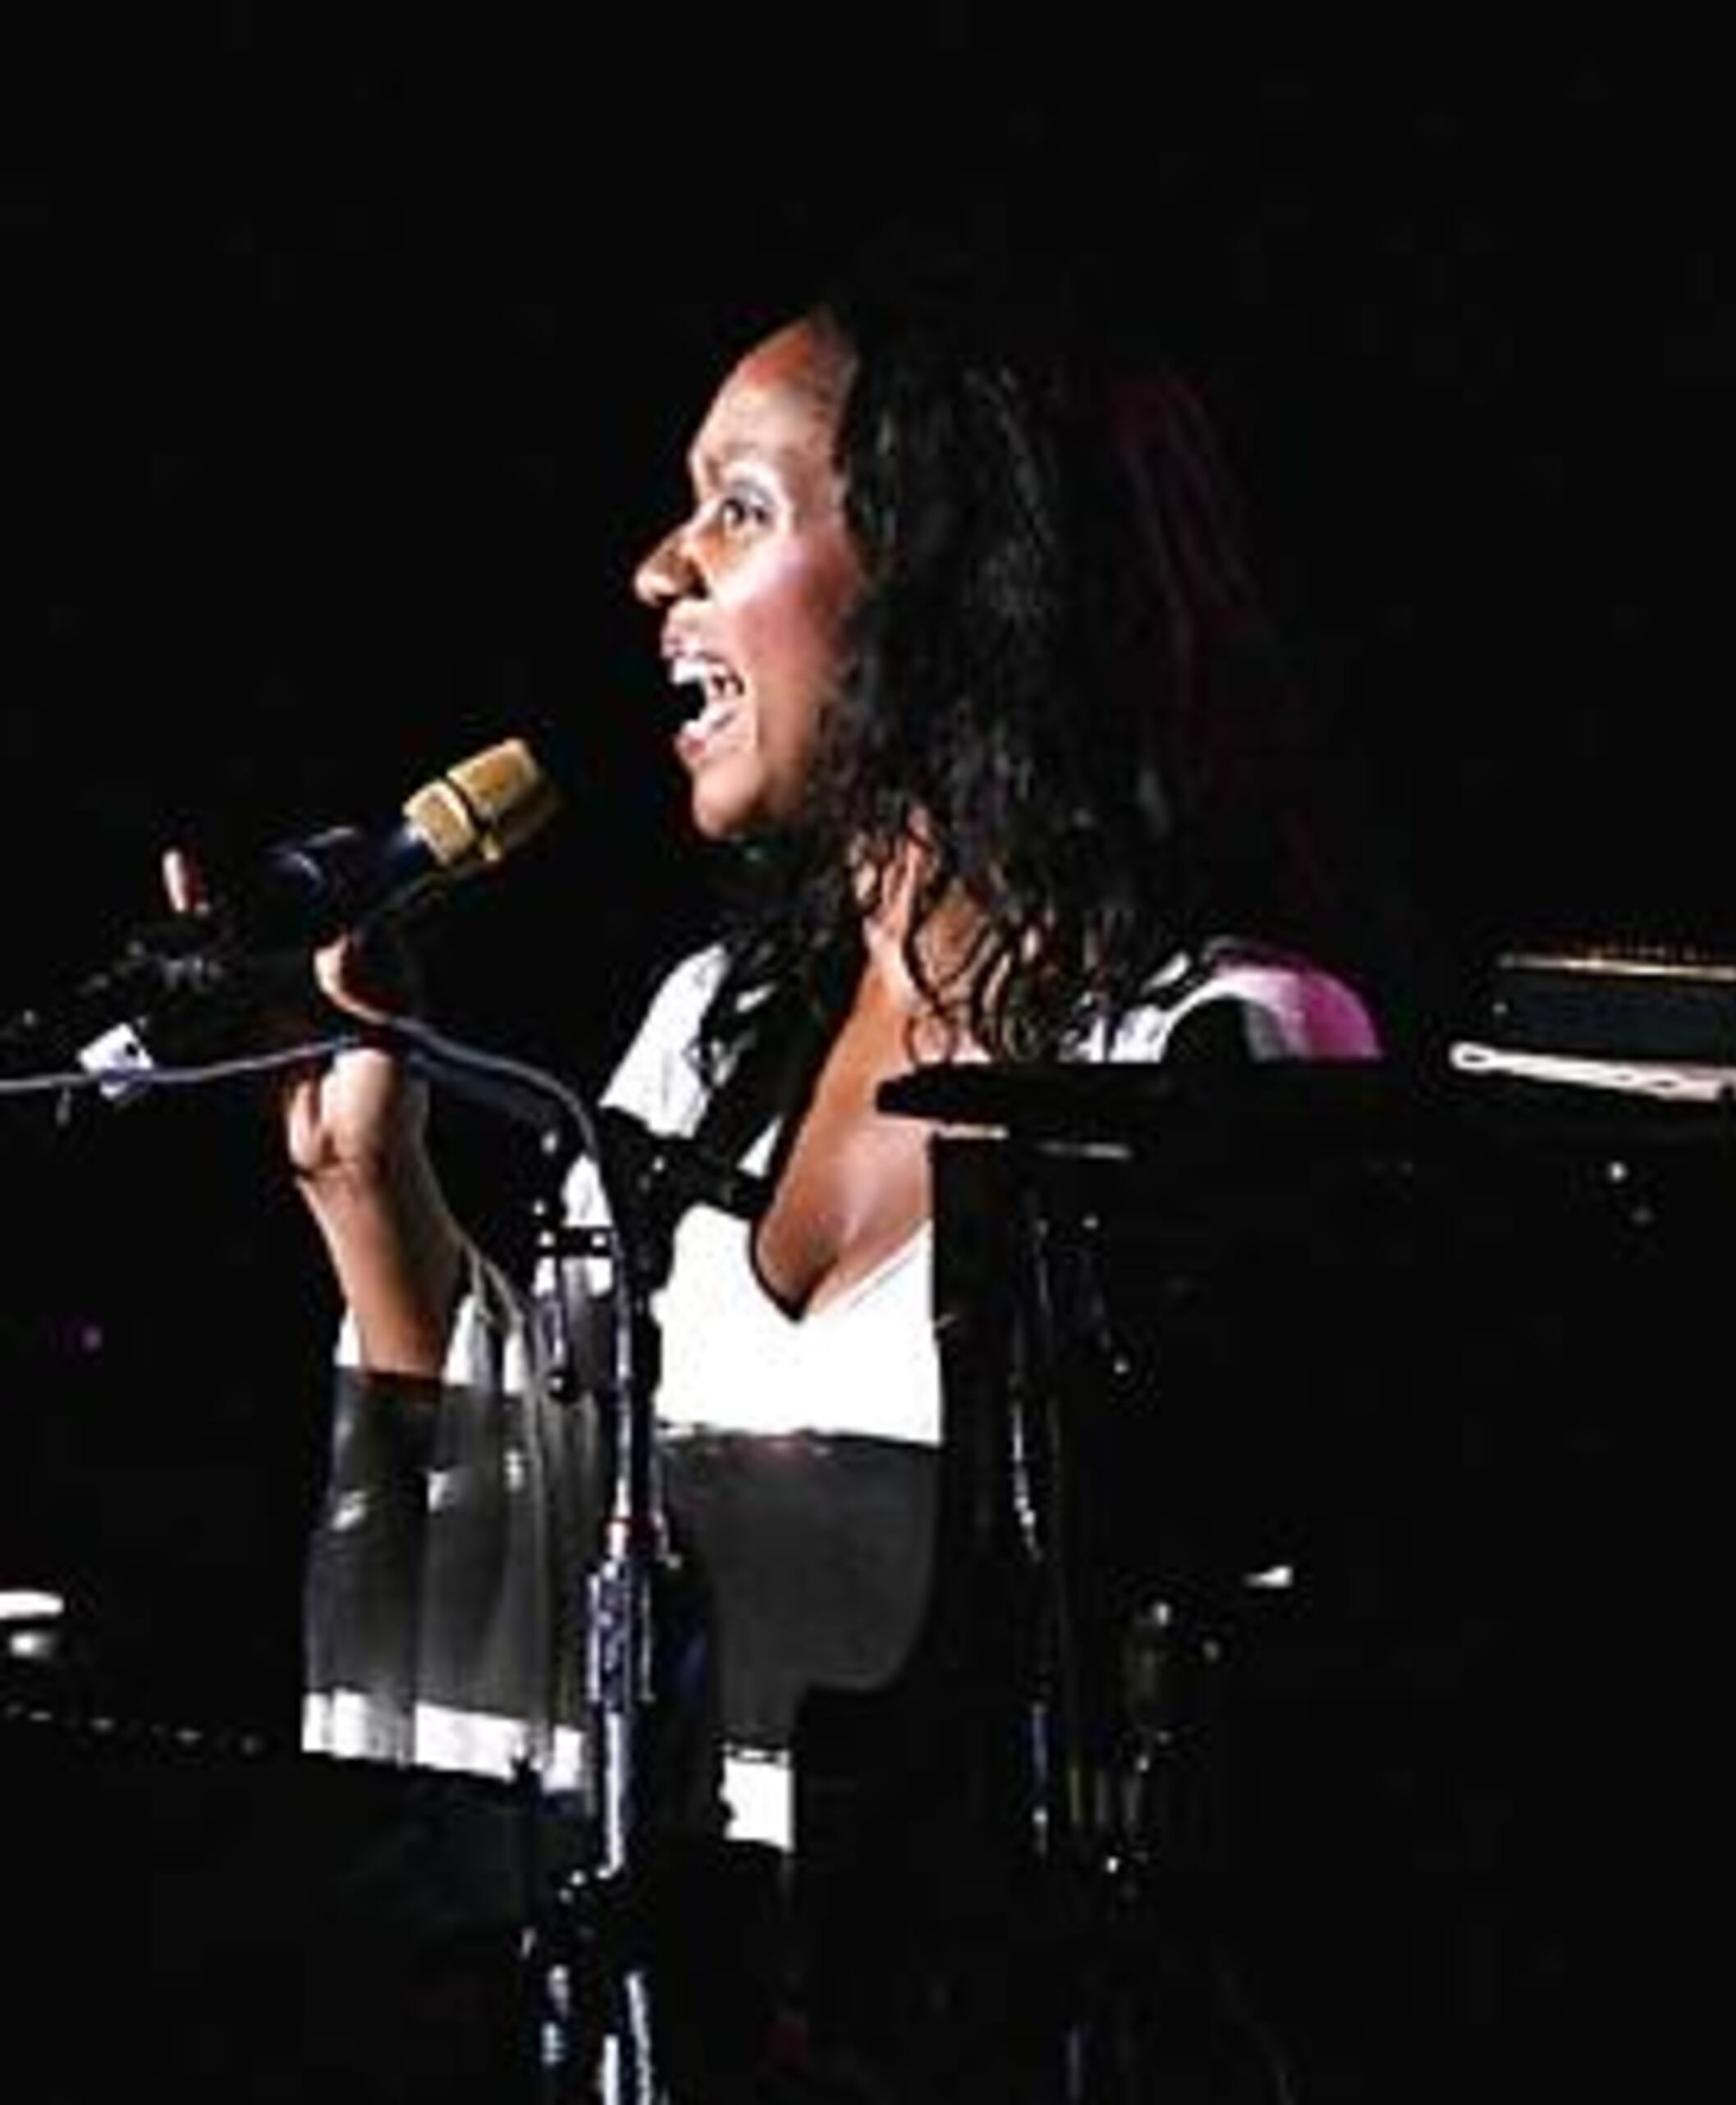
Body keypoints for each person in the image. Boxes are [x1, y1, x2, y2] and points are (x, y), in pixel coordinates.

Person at [158, 227, 1389, 2090]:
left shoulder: (1218, 1054)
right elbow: (550, 1588)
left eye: (737, 509)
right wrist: (369, 1187)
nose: (659, 572)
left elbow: (1233, 1771)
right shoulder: (706, 1039)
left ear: (945, 582)